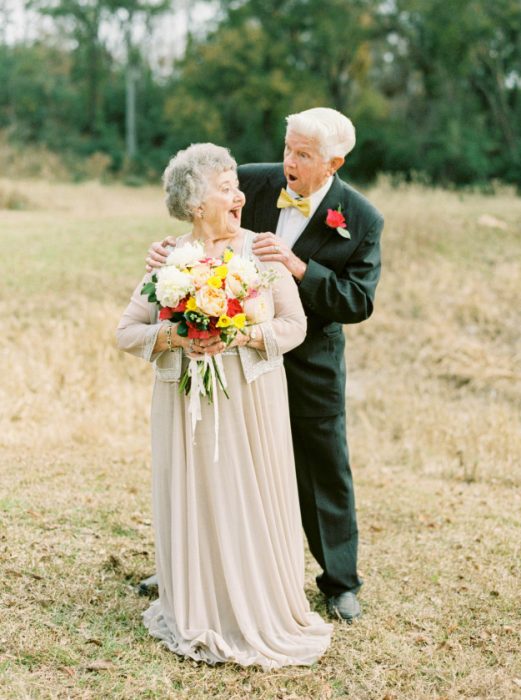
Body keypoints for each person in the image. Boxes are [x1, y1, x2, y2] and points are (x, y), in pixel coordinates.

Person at [146, 108, 384, 622]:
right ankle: (189, 568)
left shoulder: (362, 218)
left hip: (309, 361)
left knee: (323, 471)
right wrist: (168, 253)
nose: (289, 162)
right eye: (288, 148)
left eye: (303, 155)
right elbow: (201, 218)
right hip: (235, 360)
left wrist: (299, 267)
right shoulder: (251, 182)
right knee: (213, 457)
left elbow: (358, 302)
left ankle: (340, 582)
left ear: (334, 162)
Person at [116, 143, 331, 667]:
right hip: (187, 403)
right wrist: (176, 335)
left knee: (247, 492)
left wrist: (238, 336)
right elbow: (126, 331)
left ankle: (257, 606)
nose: (239, 196)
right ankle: (201, 601)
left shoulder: (261, 250)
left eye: (238, 185)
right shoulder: (170, 260)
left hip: (250, 402)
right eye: (226, 187)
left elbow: (294, 325)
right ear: (195, 204)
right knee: (201, 493)